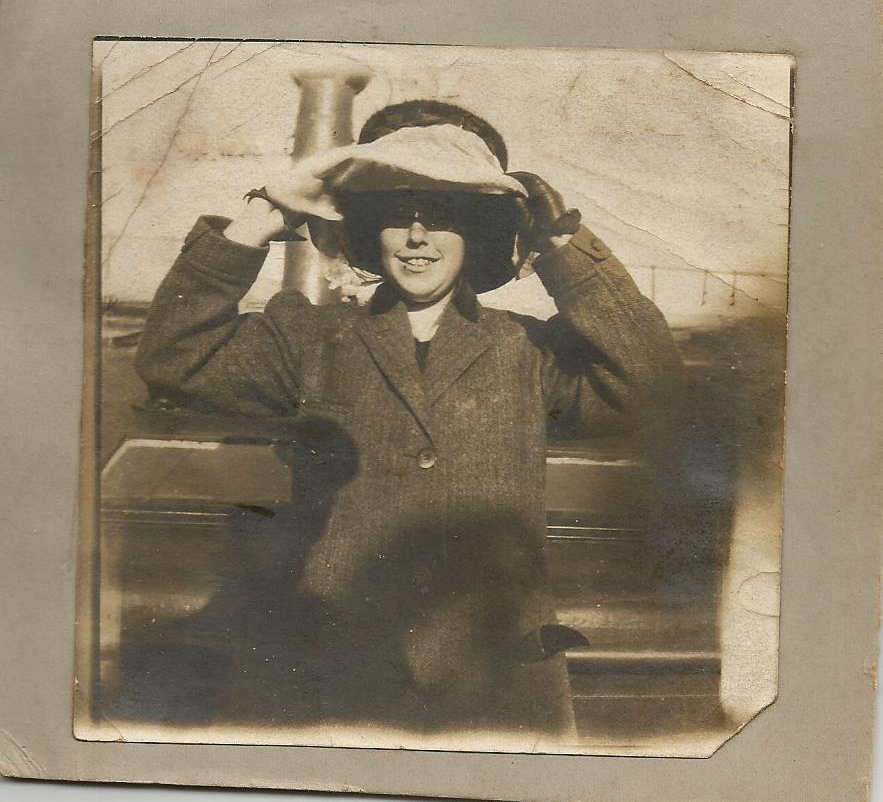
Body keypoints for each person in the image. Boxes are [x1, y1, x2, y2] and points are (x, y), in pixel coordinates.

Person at [135, 100, 682, 742]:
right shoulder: (308, 337)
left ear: (478, 232)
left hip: (499, 685)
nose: (418, 237)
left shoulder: (531, 351)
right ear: (370, 229)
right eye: (398, 214)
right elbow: (177, 357)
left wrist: (561, 242)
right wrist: (261, 215)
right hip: (327, 678)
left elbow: (653, 386)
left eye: (444, 215)